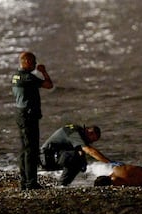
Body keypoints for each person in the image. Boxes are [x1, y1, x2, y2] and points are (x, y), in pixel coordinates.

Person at [12, 51, 53, 190]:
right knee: (31, 150)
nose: (35, 65)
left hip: (20, 114)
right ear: (27, 62)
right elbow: (49, 85)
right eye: (34, 62)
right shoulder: (28, 77)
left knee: (24, 149)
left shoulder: (16, 76)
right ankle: (31, 183)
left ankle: (24, 181)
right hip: (28, 116)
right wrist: (44, 72)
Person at [40, 124, 118, 186]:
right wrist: (109, 162)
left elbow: (81, 152)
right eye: (92, 140)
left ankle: (63, 184)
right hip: (47, 157)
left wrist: (83, 163)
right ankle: (62, 184)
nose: (91, 143)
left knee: (80, 161)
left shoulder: (78, 134)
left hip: (54, 155)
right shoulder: (75, 133)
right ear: (89, 132)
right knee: (75, 157)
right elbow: (89, 151)